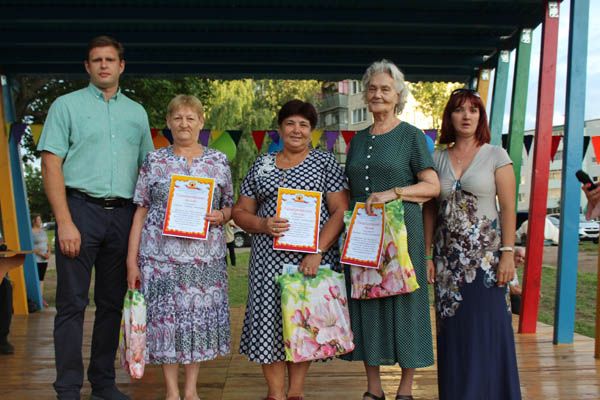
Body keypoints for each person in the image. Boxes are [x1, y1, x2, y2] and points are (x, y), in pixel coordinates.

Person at [37, 36, 154, 400]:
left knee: (111, 303)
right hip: (79, 212)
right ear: (87, 67)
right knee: (71, 303)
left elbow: (149, 171)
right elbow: (50, 163)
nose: (103, 65)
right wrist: (65, 221)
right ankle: (68, 388)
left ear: (121, 65)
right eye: (96, 60)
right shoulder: (65, 106)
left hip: (123, 215)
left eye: (110, 59)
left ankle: (103, 382)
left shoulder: (137, 113)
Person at [233, 99, 348, 400]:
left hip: (309, 259)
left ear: (312, 131)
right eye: (290, 123)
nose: (296, 130)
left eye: (304, 124)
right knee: (269, 324)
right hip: (267, 259)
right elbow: (240, 212)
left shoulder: (325, 163)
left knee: (303, 322)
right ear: (280, 128)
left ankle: (296, 393)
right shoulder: (262, 164)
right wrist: (262, 223)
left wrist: (318, 250)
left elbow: (340, 211)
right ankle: (275, 394)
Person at [340, 59, 439, 400]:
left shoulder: (411, 136)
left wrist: (395, 192)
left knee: (406, 305)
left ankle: (406, 389)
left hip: (401, 235)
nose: (378, 94)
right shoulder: (356, 140)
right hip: (365, 236)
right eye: (372, 88)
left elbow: (432, 186)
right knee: (368, 304)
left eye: (385, 88)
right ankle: (373, 388)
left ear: (398, 94)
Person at [126, 94, 232, 400]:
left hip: (203, 260)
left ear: (201, 122)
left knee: (194, 323)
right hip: (159, 258)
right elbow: (141, 211)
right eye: (177, 118)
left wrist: (220, 216)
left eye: (190, 118)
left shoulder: (218, 161)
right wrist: (131, 262)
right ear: (168, 123)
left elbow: (230, 207)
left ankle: (191, 390)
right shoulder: (155, 160)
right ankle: (172, 391)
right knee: (166, 323)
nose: (184, 123)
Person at [423, 88, 521, 400]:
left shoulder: (496, 155)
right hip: (448, 266)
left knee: (489, 333)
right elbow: (429, 209)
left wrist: (507, 253)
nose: (466, 116)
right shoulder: (436, 158)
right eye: (459, 110)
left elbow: (508, 208)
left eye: (473, 110)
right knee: (455, 337)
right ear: (449, 116)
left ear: (481, 117)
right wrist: (426, 255)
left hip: (488, 263)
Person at [31, 214, 51, 307]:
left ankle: (41, 298)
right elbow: (32, 248)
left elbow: (48, 243)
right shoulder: (31, 232)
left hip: (44, 260)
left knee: (41, 279)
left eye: (40, 219)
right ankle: (36, 299)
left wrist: (48, 253)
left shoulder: (43, 232)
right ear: (34, 221)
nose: (40, 221)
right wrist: (42, 254)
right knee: (37, 279)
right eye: (38, 220)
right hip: (37, 259)